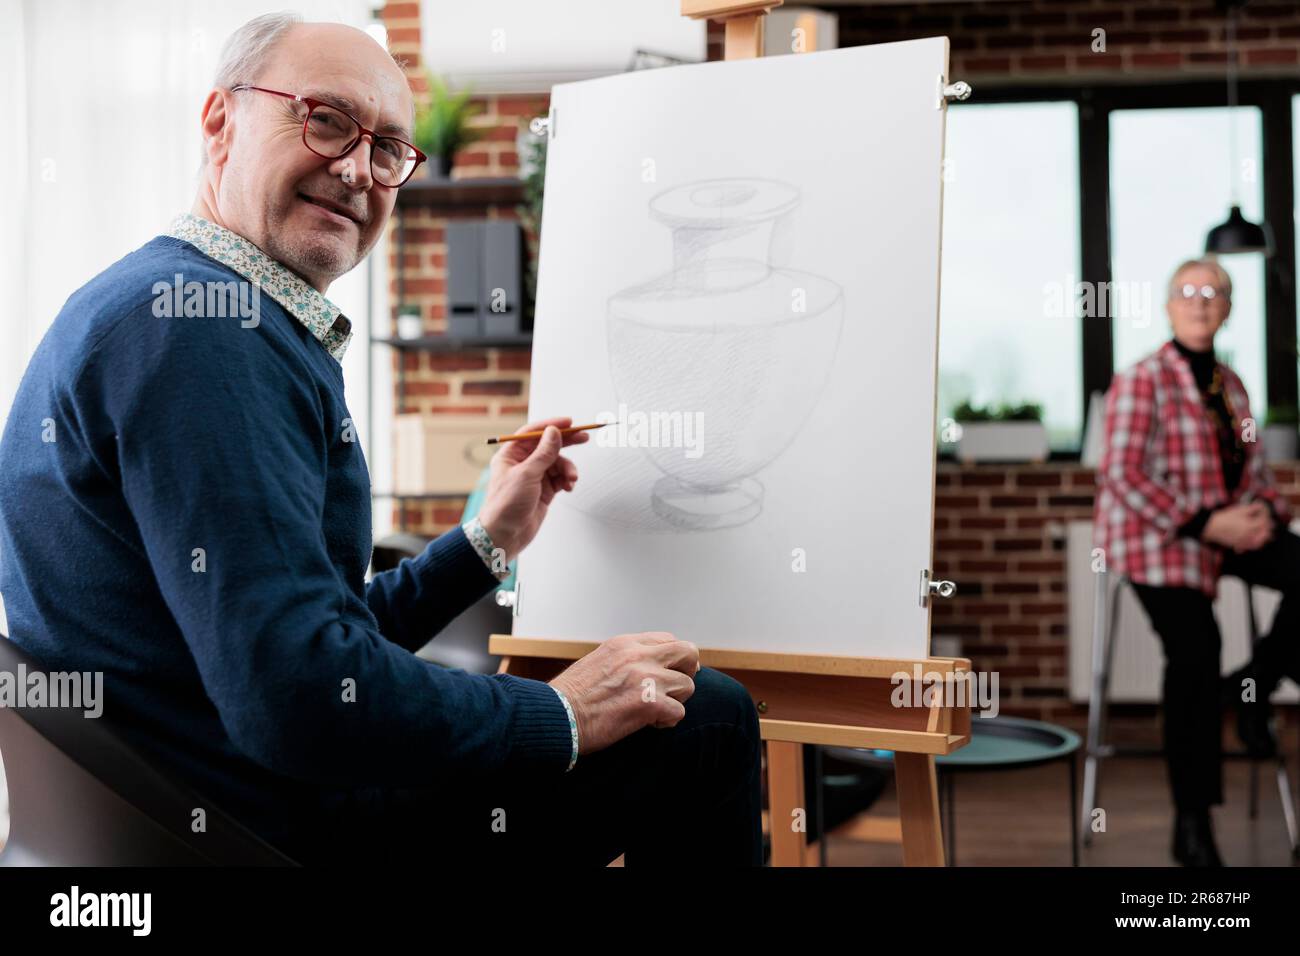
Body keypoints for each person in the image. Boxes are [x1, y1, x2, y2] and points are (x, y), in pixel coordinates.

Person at [0, 12, 761, 866]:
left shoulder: (176, 304)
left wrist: (486, 543)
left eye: (389, 148)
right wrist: (564, 715)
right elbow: (301, 696)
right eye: (325, 120)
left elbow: (318, 636)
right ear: (221, 121)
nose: (359, 169)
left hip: (211, 798)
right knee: (706, 714)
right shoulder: (201, 331)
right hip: (273, 827)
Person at [1094, 256, 1300, 867]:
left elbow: (1254, 470)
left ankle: (1249, 690)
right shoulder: (1142, 379)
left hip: (1226, 530)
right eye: (1187, 291)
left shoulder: (1232, 388)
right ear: (1168, 304)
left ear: (1228, 307)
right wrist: (1209, 522)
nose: (1200, 300)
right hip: (1158, 538)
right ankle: (1192, 824)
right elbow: (1123, 474)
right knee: (1195, 649)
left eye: (1213, 292)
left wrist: (1265, 515)